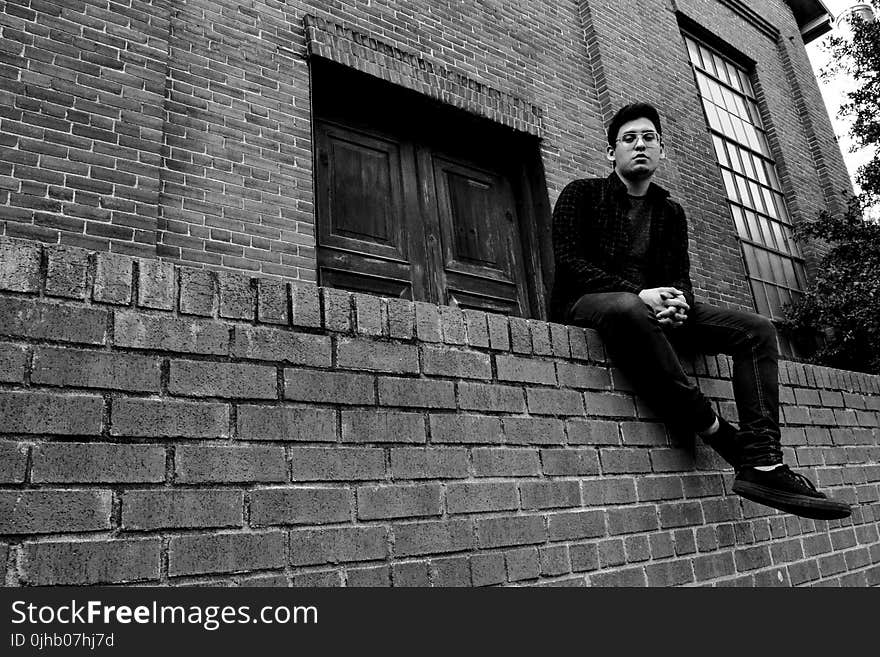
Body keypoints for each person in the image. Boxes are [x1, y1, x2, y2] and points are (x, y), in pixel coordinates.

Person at [551, 102, 850, 520]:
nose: (640, 145)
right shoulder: (581, 194)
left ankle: (763, 462)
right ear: (611, 152)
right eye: (629, 139)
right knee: (629, 308)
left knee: (757, 329)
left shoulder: (671, 212)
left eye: (649, 138)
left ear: (661, 151)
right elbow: (569, 261)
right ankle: (717, 431)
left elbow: (681, 277)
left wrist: (678, 305)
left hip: (652, 310)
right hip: (590, 303)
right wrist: (640, 294)